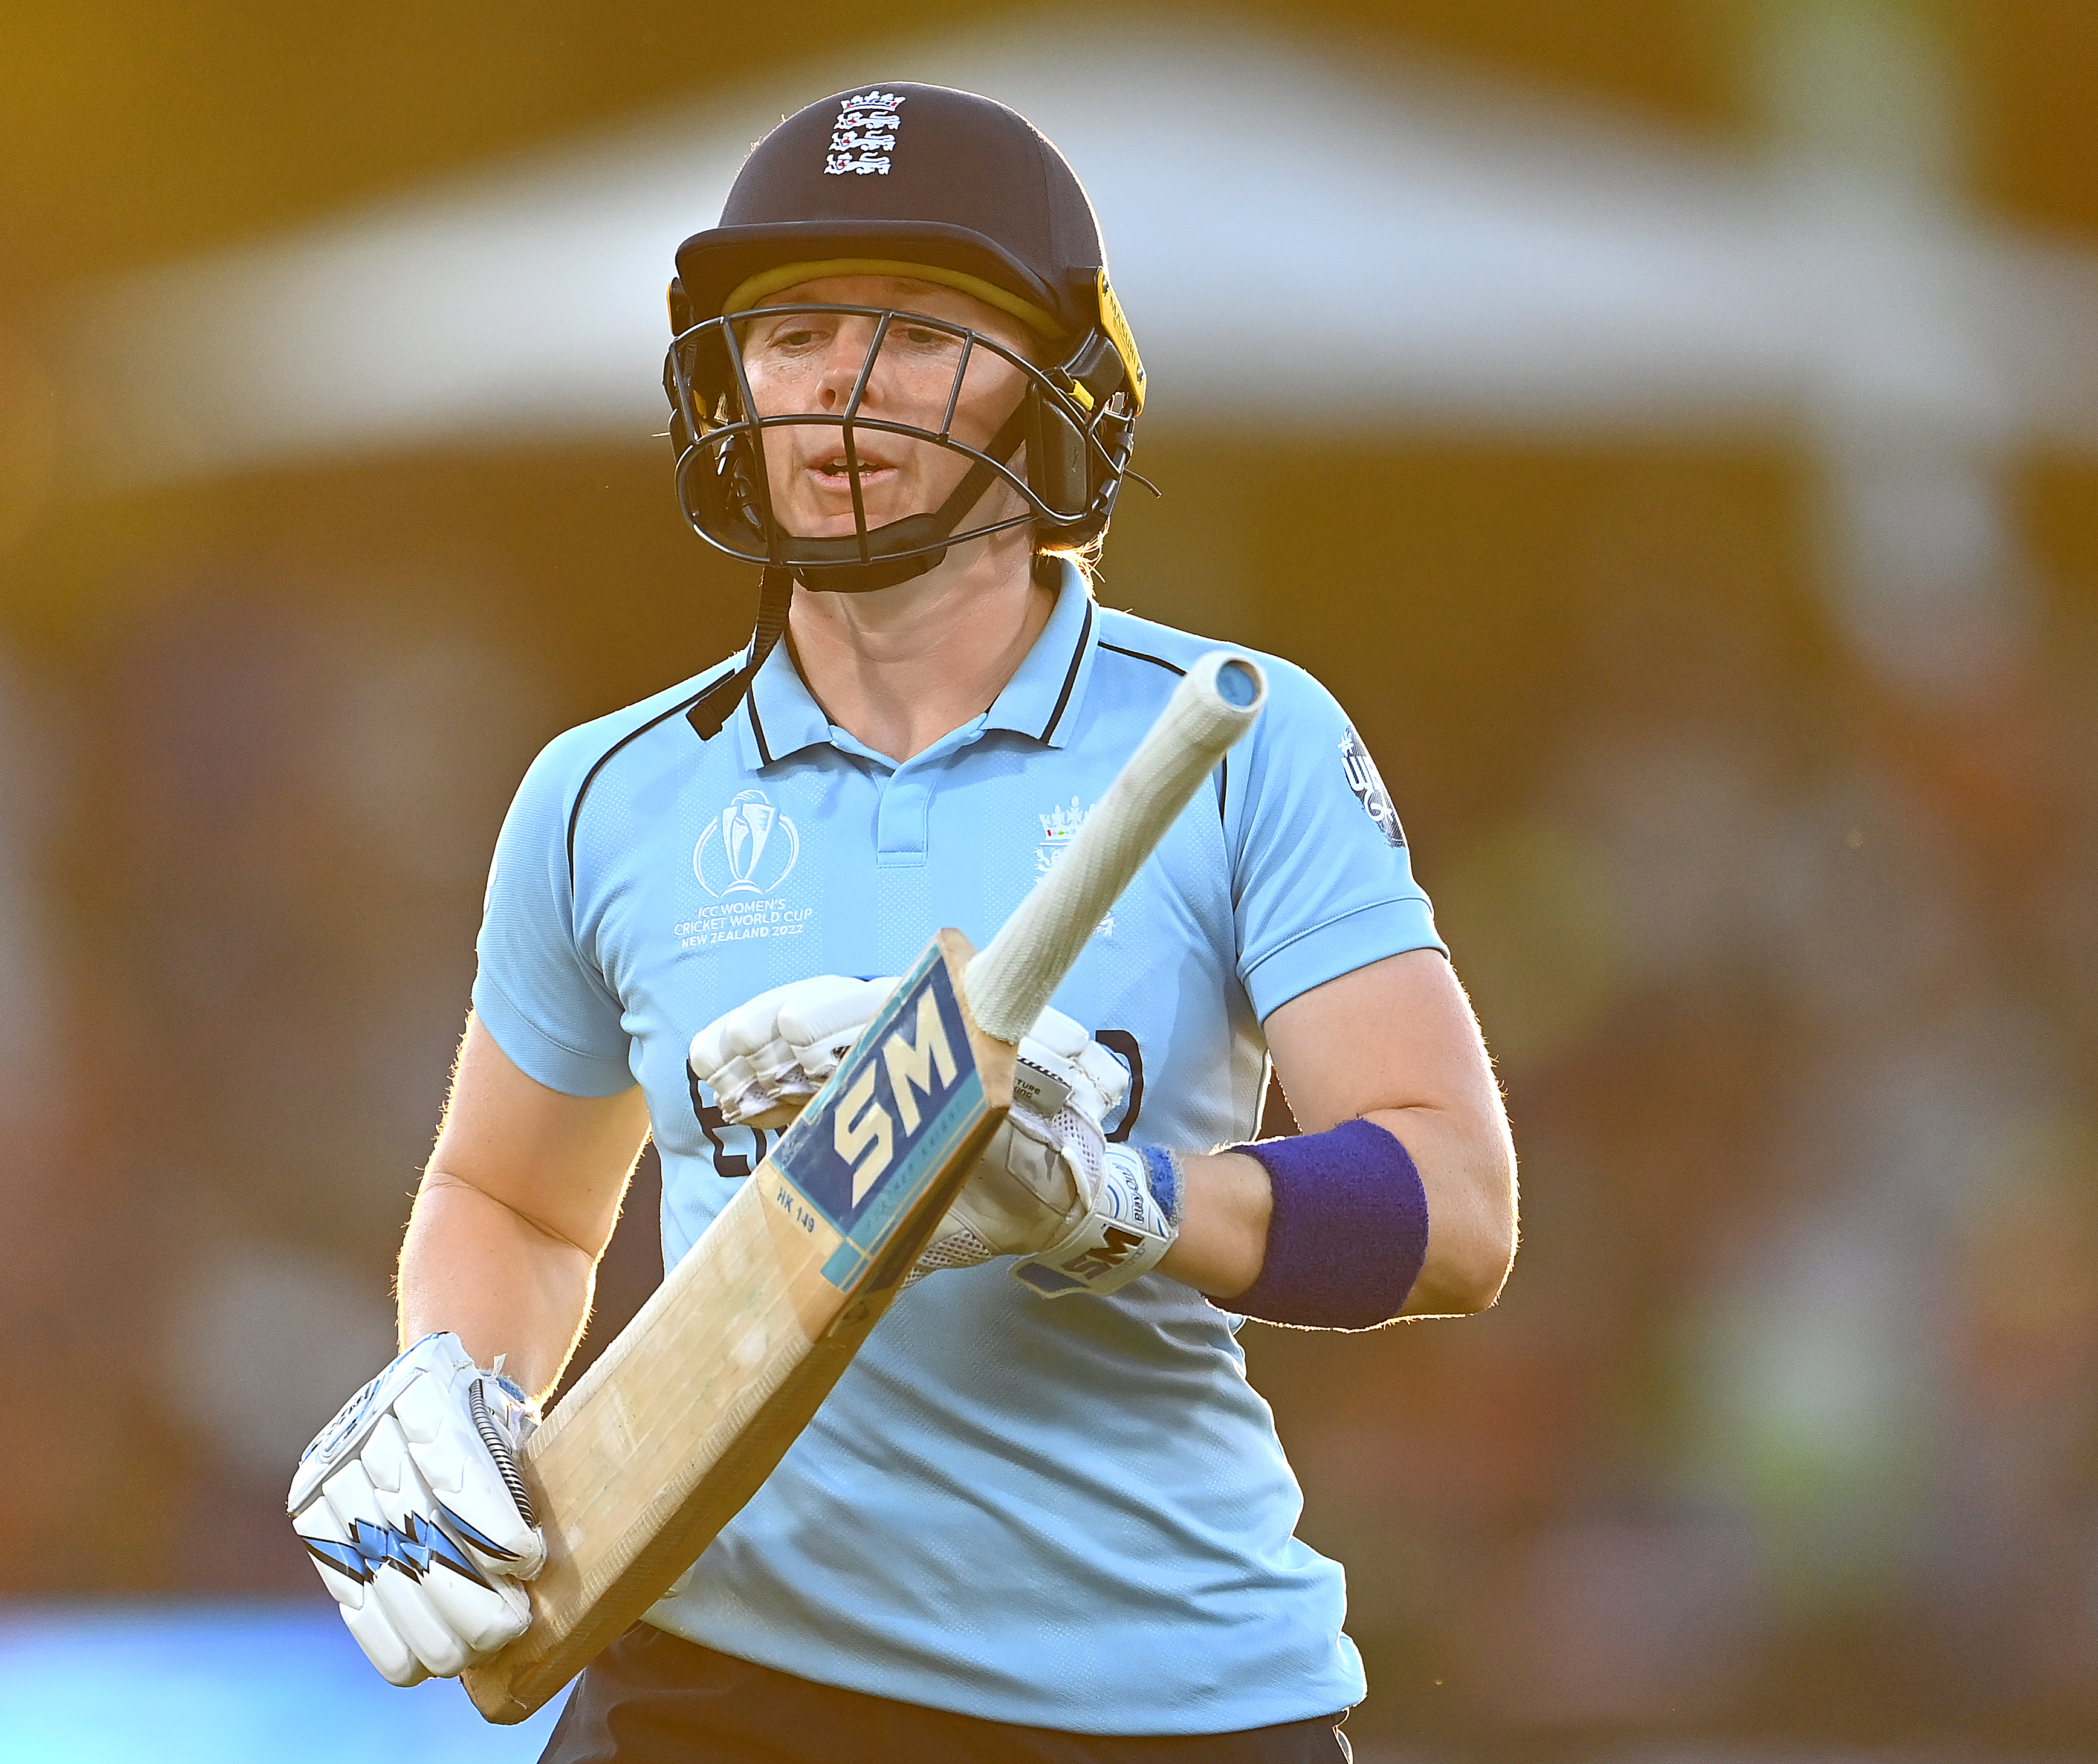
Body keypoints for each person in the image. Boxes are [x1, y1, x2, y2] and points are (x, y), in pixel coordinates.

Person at [287, 83, 1518, 1762]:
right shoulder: (604, 791)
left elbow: (1453, 1210)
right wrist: (459, 1378)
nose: (841, 393)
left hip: (1160, 1695)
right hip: (712, 1683)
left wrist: (1110, 1201)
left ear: (1058, 395)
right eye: (790, 330)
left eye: (921, 331)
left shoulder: (1241, 741)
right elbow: (511, 1196)